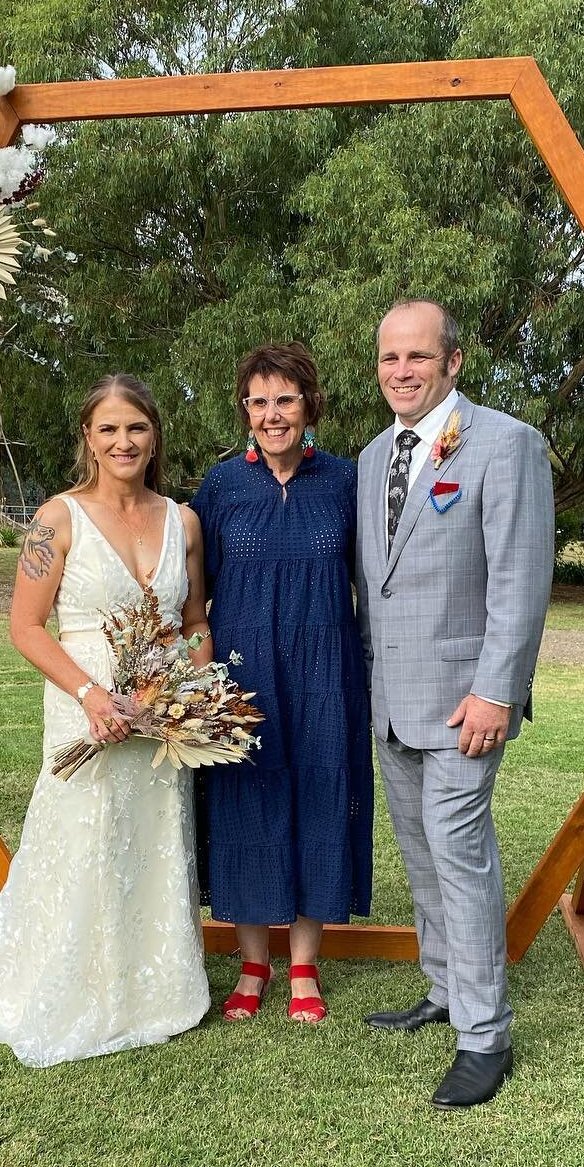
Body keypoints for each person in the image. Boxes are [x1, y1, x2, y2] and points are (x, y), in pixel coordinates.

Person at [0, 374, 212, 1066]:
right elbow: (27, 627)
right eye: (109, 429)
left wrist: (173, 691)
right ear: (87, 439)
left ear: (155, 436)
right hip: (82, 704)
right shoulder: (57, 519)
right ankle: (70, 983)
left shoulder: (182, 521)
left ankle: (155, 989)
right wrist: (94, 696)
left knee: (151, 837)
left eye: (137, 428)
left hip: (156, 712)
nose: (124, 442)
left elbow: (194, 623)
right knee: (85, 836)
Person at [357, 300, 554, 1109]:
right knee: (423, 855)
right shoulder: (373, 456)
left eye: (418, 357)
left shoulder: (506, 445)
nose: (402, 372)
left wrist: (495, 690)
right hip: (392, 703)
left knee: (460, 853)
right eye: (389, 358)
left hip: (465, 704)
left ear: (454, 361)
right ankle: (442, 990)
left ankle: (485, 1036)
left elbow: (520, 581)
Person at [192, 343, 373, 1023]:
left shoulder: (345, 482)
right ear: (245, 411)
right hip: (244, 678)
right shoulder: (219, 488)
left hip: (327, 672)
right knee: (246, 808)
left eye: (286, 400)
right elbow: (189, 588)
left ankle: (303, 965)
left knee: (321, 801)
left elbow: (373, 580)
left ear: (310, 406)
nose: (272, 414)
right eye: (259, 401)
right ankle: (252, 963)